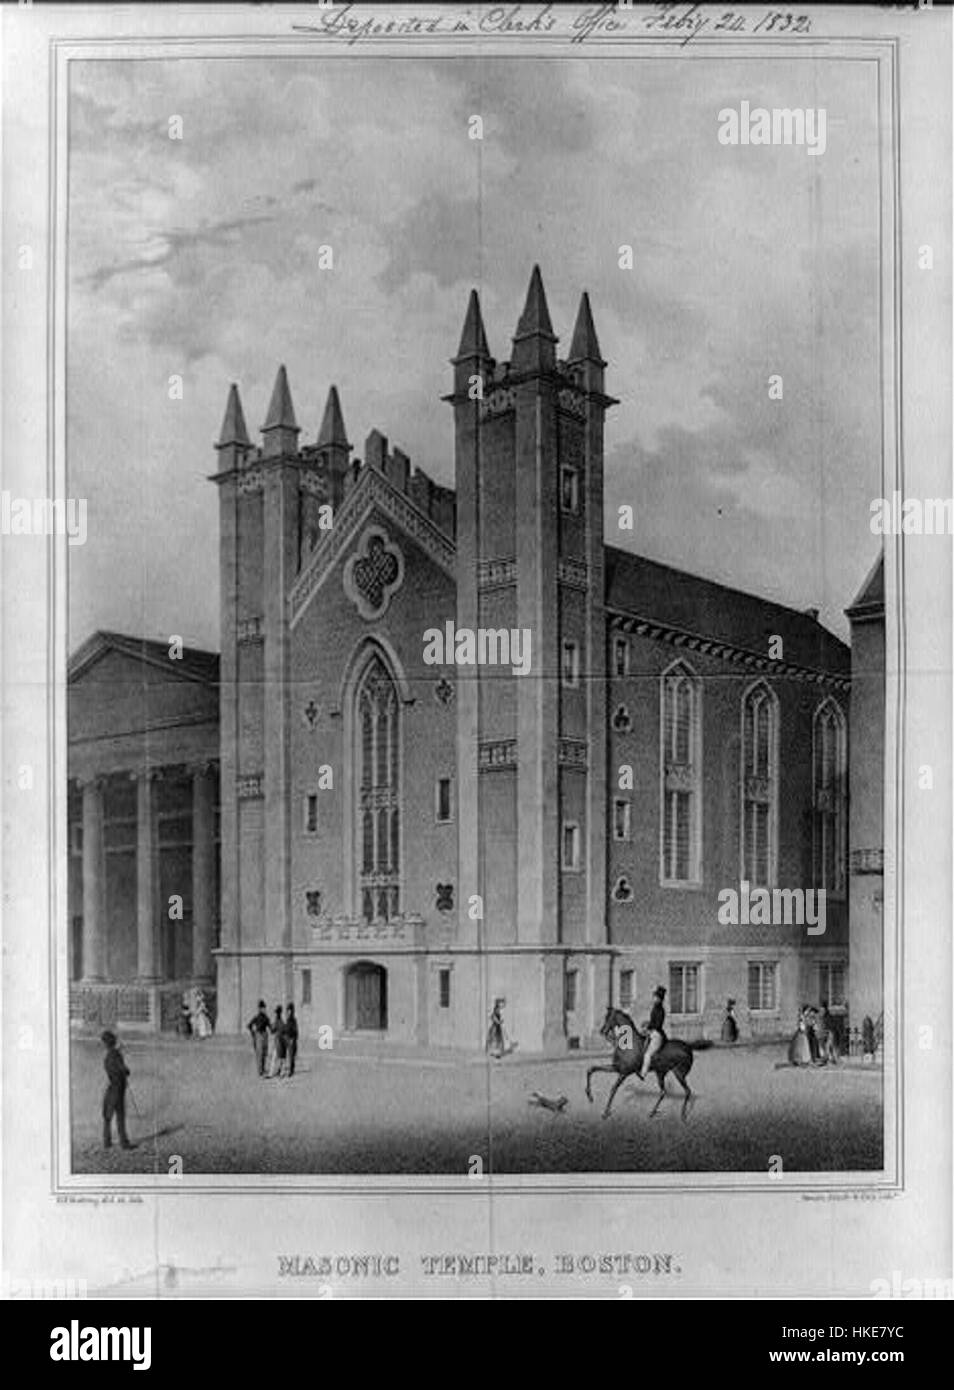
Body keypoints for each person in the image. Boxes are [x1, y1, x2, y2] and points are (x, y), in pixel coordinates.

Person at [101, 1030, 133, 1150]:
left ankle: (107, 1142)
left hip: (111, 1088)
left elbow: (113, 1065)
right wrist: (126, 1071)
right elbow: (124, 1070)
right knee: (120, 1116)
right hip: (118, 1089)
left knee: (107, 1116)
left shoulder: (108, 1056)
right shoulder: (116, 1055)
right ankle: (124, 1143)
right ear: (114, 1042)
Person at [639, 986, 667, 1079]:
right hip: (652, 1032)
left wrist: (648, 1027)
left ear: (659, 999)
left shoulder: (660, 1010)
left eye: (655, 997)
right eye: (654, 996)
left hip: (657, 1034)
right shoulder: (656, 1008)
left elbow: (657, 1024)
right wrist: (647, 1024)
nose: (654, 998)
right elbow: (653, 1021)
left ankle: (643, 1074)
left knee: (648, 1054)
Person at [247, 1000, 270, 1077]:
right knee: (260, 1053)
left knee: (264, 1053)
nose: (263, 1009)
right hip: (259, 1035)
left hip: (264, 1035)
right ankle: (260, 1070)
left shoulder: (266, 1017)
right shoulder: (257, 1017)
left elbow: (270, 1027)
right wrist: (253, 1033)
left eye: (264, 1008)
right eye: (262, 1008)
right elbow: (249, 1025)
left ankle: (262, 1069)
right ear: (260, 1009)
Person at [269, 1004, 286, 1078]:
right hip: (282, 1042)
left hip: (278, 1042)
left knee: (275, 1058)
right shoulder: (282, 1022)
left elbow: (272, 1031)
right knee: (281, 1058)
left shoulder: (276, 1022)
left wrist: (270, 1025)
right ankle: (281, 1072)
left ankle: (272, 1073)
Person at [283, 1003, 298, 1077]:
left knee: (291, 1055)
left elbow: (295, 1031)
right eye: (288, 1011)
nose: (289, 1012)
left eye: (290, 1010)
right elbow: (286, 1029)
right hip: (287, 1039)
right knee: (289, 1055)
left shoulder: (293, 1020)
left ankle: (291, 1070)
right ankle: (288, 1069)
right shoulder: (288, 1019)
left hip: (292, 1039)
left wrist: (293, 1039)